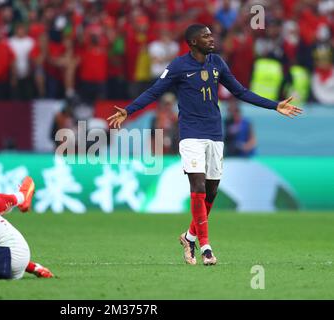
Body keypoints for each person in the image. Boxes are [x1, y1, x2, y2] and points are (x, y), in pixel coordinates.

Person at [107, 24, 302, 266]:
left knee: (211, 191)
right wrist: (128, 110)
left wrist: (275, 105)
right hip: (190, 134)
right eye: (206, 36)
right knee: (197, 184)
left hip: (214, 133)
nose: (212, 38)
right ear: (193, 43)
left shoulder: (217, 63)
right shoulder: (178, 66)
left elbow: (240, 92)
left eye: (211, 34)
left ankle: (189, 237)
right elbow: (154, 91)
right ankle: (206, 247)